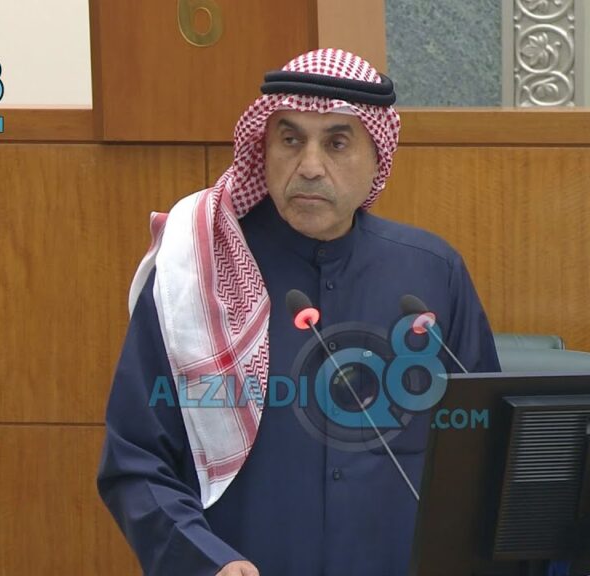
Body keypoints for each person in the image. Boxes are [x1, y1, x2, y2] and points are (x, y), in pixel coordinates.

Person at [97, 48, 501, 576]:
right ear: (263, 149)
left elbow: (485, 453)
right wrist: (205, 561)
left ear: (378, 157)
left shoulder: (433, 273)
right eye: (290, 140)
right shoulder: (197, 275)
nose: (310, 166)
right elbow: (136, 462)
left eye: (337, 143)